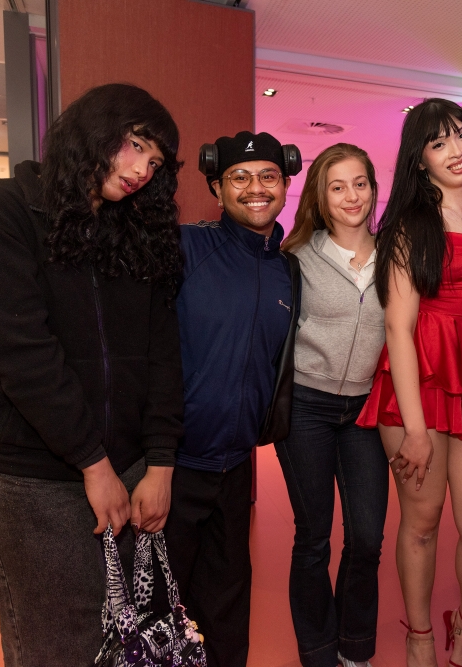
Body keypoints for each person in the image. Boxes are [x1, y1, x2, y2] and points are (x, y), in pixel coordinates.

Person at [0, 83, 185, 665]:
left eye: (154, 162)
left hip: (127, 469)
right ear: (91, 131)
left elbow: (162, 354)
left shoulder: (135, 233)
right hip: (34, 479)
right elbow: (23, 356)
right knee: (57, 646)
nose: (140, 171)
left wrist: (160, 462)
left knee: (121, 641)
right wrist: (92, 463)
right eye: (132, 145)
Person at [356, 98, 462, 667]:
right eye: (439, 142)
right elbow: (398, 325)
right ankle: (419, 635)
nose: (456, 149)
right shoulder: (409, 225)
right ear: (419, 160)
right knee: (420, 523)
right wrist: (414, 428)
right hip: (415, 382)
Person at [165, 131, 301, 667]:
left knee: (226, 605)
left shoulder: (288, 270)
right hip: (171, 468)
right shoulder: (185, 248)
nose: (255, 188)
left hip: (237, 469)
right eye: (239, 178)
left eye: (268, 175)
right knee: (157, 608)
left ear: (286, 183)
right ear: (217, 189)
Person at [276, 144, 388, 667]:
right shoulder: (298, 257)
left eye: (359, 183)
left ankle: (356, 648)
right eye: (337, 186)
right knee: (314, 536)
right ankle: (319, 651)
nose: (351, 196)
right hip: (308, 408)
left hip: (365, 411)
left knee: (366, 537)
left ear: (373, 188)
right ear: (321, 195)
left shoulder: (396, 256)